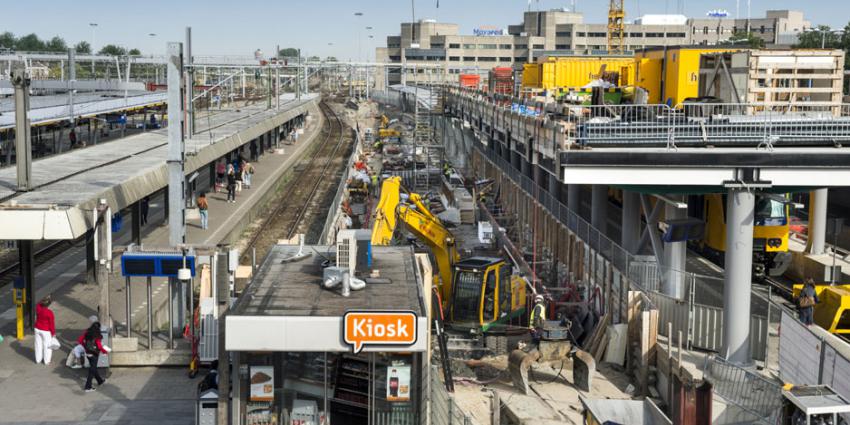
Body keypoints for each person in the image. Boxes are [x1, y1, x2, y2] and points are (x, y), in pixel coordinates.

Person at [80, 322, 110, 392]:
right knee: (92, 370)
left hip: (87, 353)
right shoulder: (97, 335)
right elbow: (99, 346)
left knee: (93, 368)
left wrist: (86, 348)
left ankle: (100, 381)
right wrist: (104, 351)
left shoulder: (87, 332)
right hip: (94, 354)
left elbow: (80, 340)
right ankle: (88, 387)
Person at [34, 296, 56, 365]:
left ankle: (38, 360)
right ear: (49, 304)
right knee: (47, 346)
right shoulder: (49, 313)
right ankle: (46, 361)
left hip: (37, 328)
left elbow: (38, 304)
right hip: (46, 331)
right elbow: (51, 325)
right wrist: (53, 333)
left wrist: (44, 300)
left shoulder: (38, 308)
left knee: (38, 345)